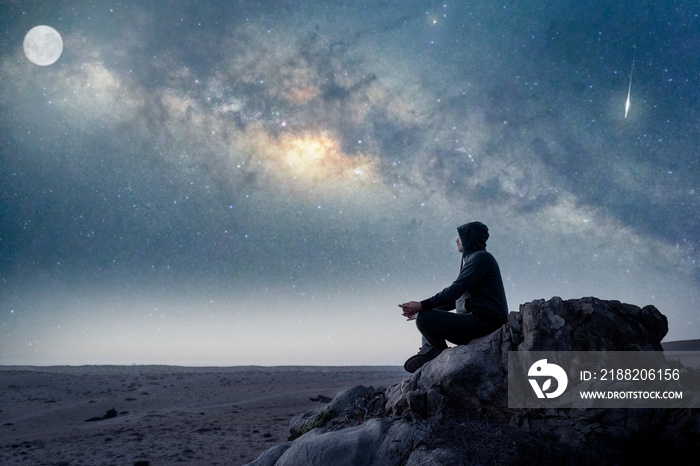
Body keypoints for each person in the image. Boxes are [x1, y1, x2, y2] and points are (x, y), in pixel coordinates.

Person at [399, 221, 508, 373]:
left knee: (425, 317)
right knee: (425, 316)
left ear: (470, 238)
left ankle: (434, 351)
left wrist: (422, 305)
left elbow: (455, 291)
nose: (457, 240)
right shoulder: (475, 260)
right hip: (476, 321)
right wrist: (425, 309)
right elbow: (456, 299)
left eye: (460, 237)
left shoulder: (481, 258)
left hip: (485, 322)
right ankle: (429, 350)